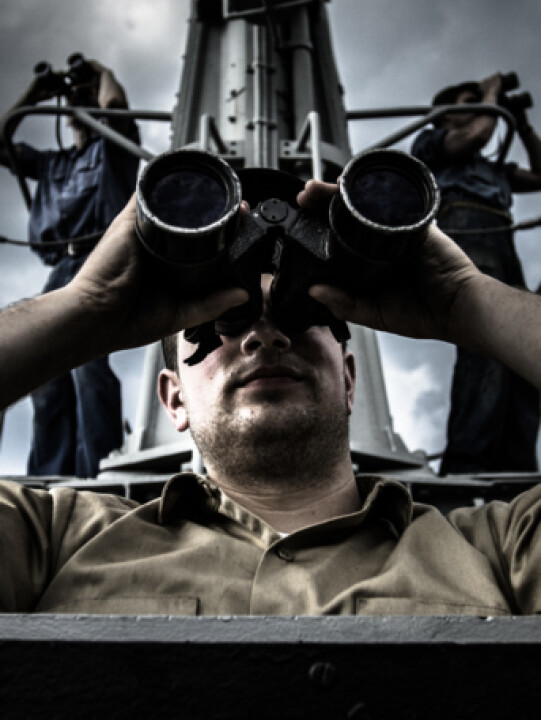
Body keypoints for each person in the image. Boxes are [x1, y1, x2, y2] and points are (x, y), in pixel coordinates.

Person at [1, 180, 541, 616]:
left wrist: (465, 300)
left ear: (348, 379)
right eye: (224, 324)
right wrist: (88, 308)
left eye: (300, 317)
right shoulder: (54, 540)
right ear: (174, 399)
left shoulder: (498, 548)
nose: (265, 336)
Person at [0, 58, 140, 478]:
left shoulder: (112, 147)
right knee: (44, 371)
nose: (78, 102)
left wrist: (100, 73)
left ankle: (98, 471)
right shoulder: (51, 164)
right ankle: (49, 476)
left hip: (99, 259)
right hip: (60, 267)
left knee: (87, 366)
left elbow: (115, 107)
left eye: (85, 96)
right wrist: (35, 95)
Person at [411, 73, 541, 475]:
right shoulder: (432, 144)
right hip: (467, 238)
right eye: (470, 103)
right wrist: (491, 92)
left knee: (522, 348)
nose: (482, 108)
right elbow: (476, 136)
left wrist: (521, 124)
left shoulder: (492, 168)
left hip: (502, 245)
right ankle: (468, 461)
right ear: (445, 115)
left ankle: (518, 466)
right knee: (487, 346)